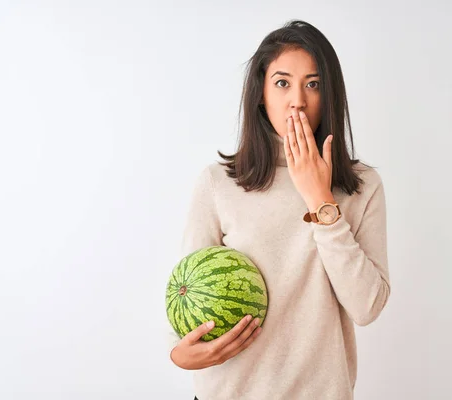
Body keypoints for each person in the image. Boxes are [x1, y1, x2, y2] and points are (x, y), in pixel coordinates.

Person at [166, 19, 391, 400]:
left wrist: (320, 199)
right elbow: (186, 294)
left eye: (314, 84)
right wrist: (178, 352)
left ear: (330, 93)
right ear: (261, 93)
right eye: (283, 82)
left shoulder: (363, 186)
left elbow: (367, 307)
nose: (298, 100)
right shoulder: (218, 183)